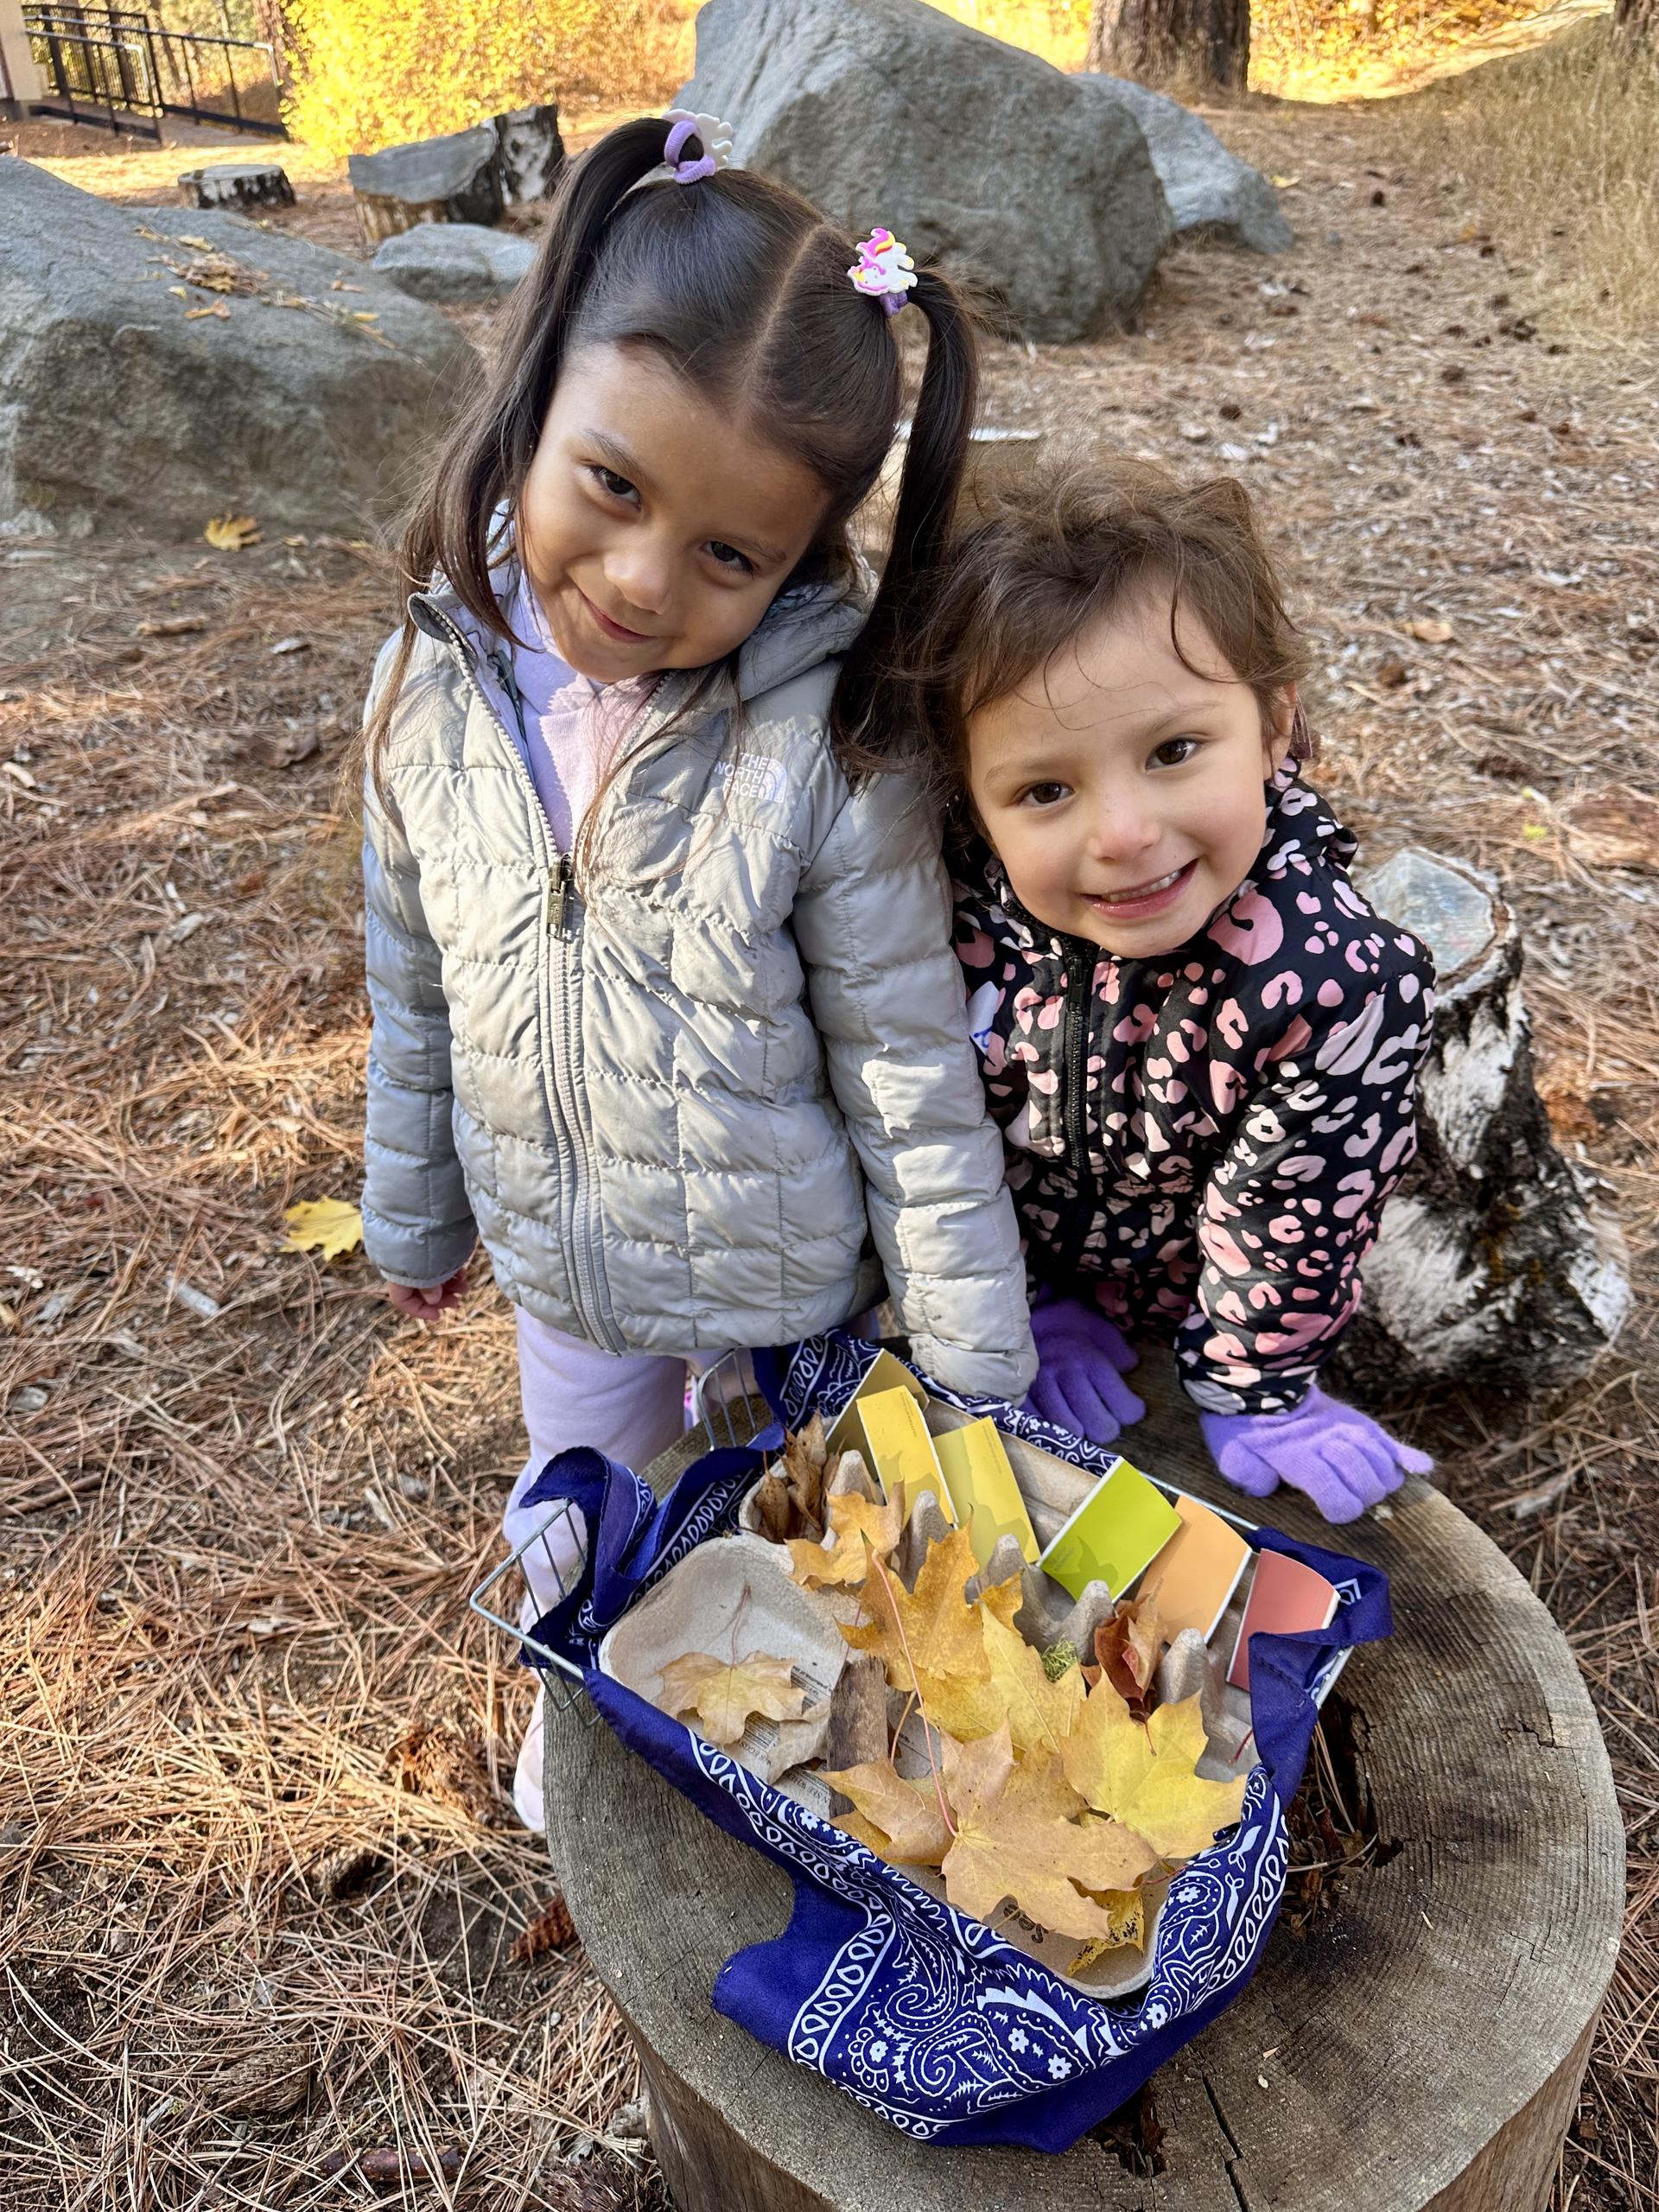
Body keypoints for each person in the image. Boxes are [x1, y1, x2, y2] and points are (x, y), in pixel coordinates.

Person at [354, 114, 1033, 1825]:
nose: (648, 578)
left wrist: (970, 1354)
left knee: (788, 1526)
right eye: (613, 485)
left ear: (800, 560)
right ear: (536, 382)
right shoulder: (431, 687)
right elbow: (413, 975)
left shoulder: (820, 745)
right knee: (583, 1488)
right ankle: (585, 1693)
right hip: (566, 1255)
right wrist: (417, 1208)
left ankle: (771, 1723)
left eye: (731, 555)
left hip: (777, 1270)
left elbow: (904, 1058)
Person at [909, 456, 1435, 1525]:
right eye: (1046, 788)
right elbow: (926, 1131)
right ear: (969, 797)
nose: (1124, 833)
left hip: (1207, 1291)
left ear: (1275, 726)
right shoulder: (941, 913)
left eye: (1174, 750)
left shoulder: (1334, 984)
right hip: (1016, 1278)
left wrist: (1254, 1388)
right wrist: (1017, 1312)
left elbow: (1294, 1209)